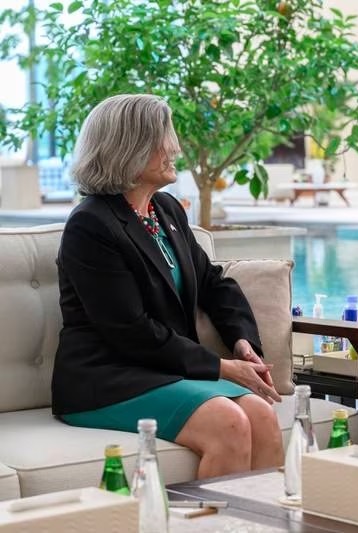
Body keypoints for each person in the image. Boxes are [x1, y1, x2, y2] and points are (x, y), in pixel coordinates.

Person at [52, 94, 284, 478]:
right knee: (228, 422)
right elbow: (130, 331)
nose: (175, 148)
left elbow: (213, 283)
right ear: (130, 147)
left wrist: (242, 341)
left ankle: (260, 514)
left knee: (261, 414)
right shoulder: (90, 224)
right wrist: (222, 368)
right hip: (107, 379)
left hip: (163, 371)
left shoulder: (166, 209)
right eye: (164, 138)